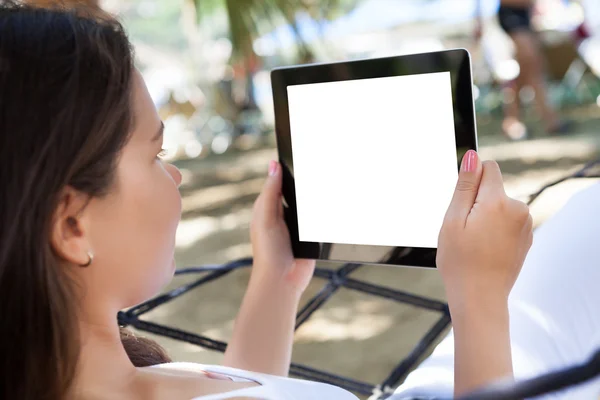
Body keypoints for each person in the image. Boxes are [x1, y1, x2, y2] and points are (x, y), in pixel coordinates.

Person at [0, 2, 533, 400]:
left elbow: (244, 388)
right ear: (72, 226)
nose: (176, 174)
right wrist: (480, 301)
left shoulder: (87, 374)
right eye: (155, 154)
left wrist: (276, 282)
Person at [476, 0, 571, 140]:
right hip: (511, 13)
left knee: (530, 69)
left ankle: (513, 121)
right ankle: (550, 119)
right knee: (531, 64)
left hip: (525, 13)